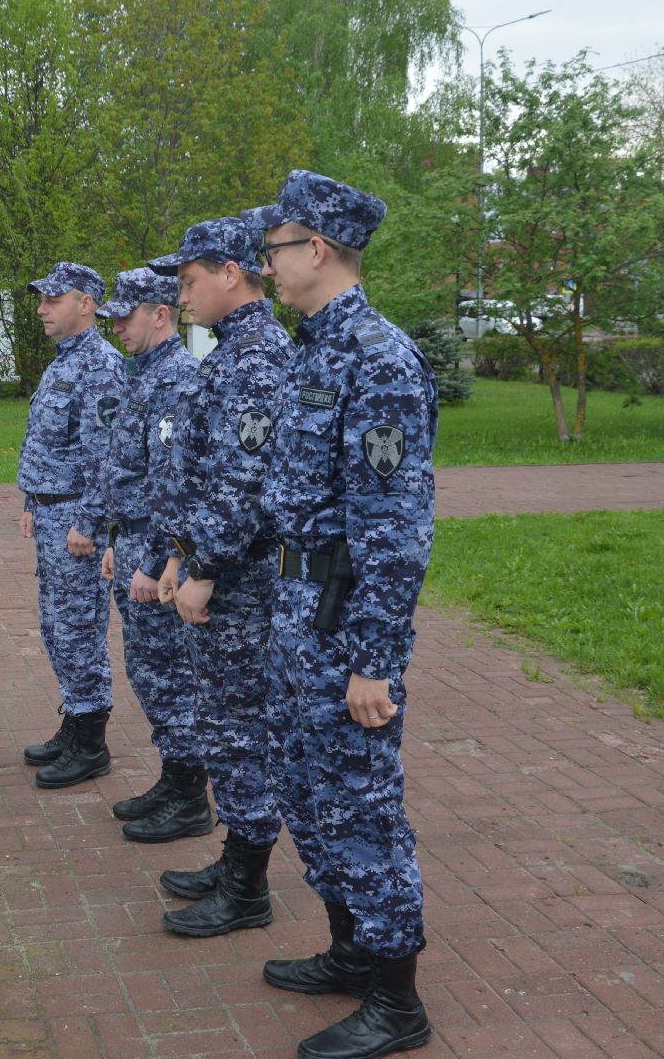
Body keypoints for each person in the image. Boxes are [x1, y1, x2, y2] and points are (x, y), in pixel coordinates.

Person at [253, 170, 438, 1059]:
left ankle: (398, 1000)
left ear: (315, 249)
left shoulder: (378, 358)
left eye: (276, 249)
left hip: (342, 622)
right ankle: (351, 948)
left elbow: (395, 529)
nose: (269, 264)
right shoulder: (314, 350)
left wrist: (374, 660)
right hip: (299, 611)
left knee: (361, 803)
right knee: (310, 790)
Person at [147, 217, 295, 936]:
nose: (181, 295)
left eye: (189, 280)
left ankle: (248, 889)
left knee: (240, 729)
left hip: (241, 580)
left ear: (231, 273)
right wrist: (180, 554)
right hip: (214, 567)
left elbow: (245, 484)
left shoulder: (259, 356)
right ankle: (238, 860)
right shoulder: (231, 351)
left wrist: (201, 566)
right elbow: (200, 474)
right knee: (223, 724)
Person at [76, 267, 209, 842]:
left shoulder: (178, 379)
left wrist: (154, 560)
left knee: (170, 675)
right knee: (150, 673)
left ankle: (189, 795)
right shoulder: (142, 374)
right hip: (131, 539)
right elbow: (125, 468)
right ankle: (174, 777)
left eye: (126, 317)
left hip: (155, 552)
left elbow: (175, 484)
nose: (117, 329)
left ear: (160, 314)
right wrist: (113, 540)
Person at [17, 262, 127, 788]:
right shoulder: (65, 362)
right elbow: (48, 439)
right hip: (51, 511)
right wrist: (31, 501)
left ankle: (91, 744)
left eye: (52, 299)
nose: (41, 309)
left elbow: (106, 456)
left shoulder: (100, 366)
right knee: (56, 625)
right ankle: (75, 720)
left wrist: (89, 522)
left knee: (79, 628)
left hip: (75, 522)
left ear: (85, 303)